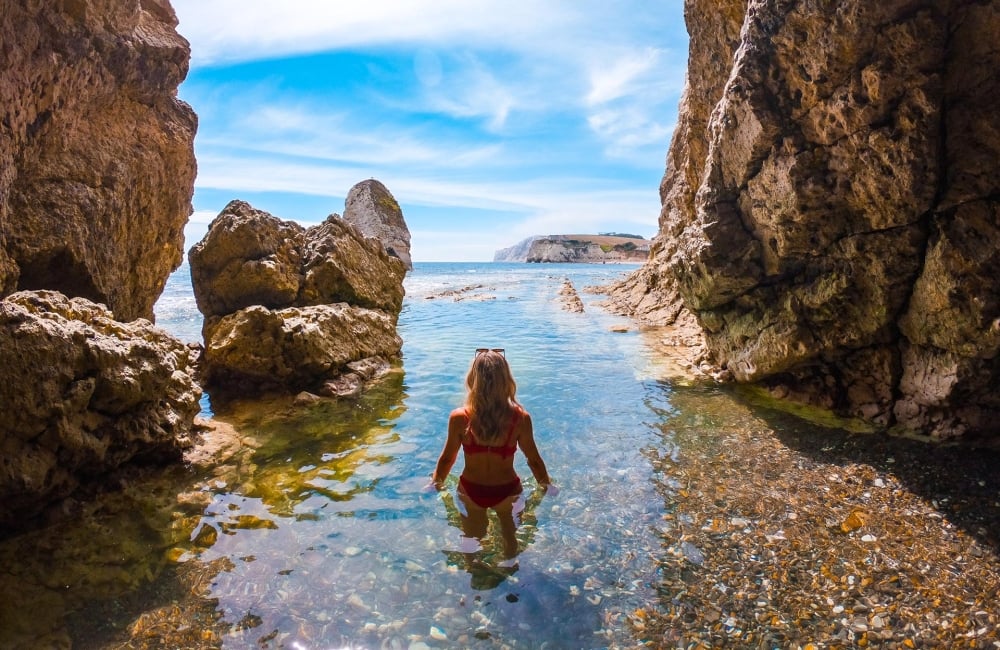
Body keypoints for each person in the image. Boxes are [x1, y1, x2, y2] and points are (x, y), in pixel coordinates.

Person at [431, 348, 553, 560]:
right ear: (506, 381)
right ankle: (510, 569)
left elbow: (447, 458)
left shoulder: (459, 418)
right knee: (510, 539)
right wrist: (546, 485)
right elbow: (533, 460)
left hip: (471, 491)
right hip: (507, 492)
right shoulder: (520, 419)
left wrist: (436, 482)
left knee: (470, 539)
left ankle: (474, 572)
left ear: (473, 380)